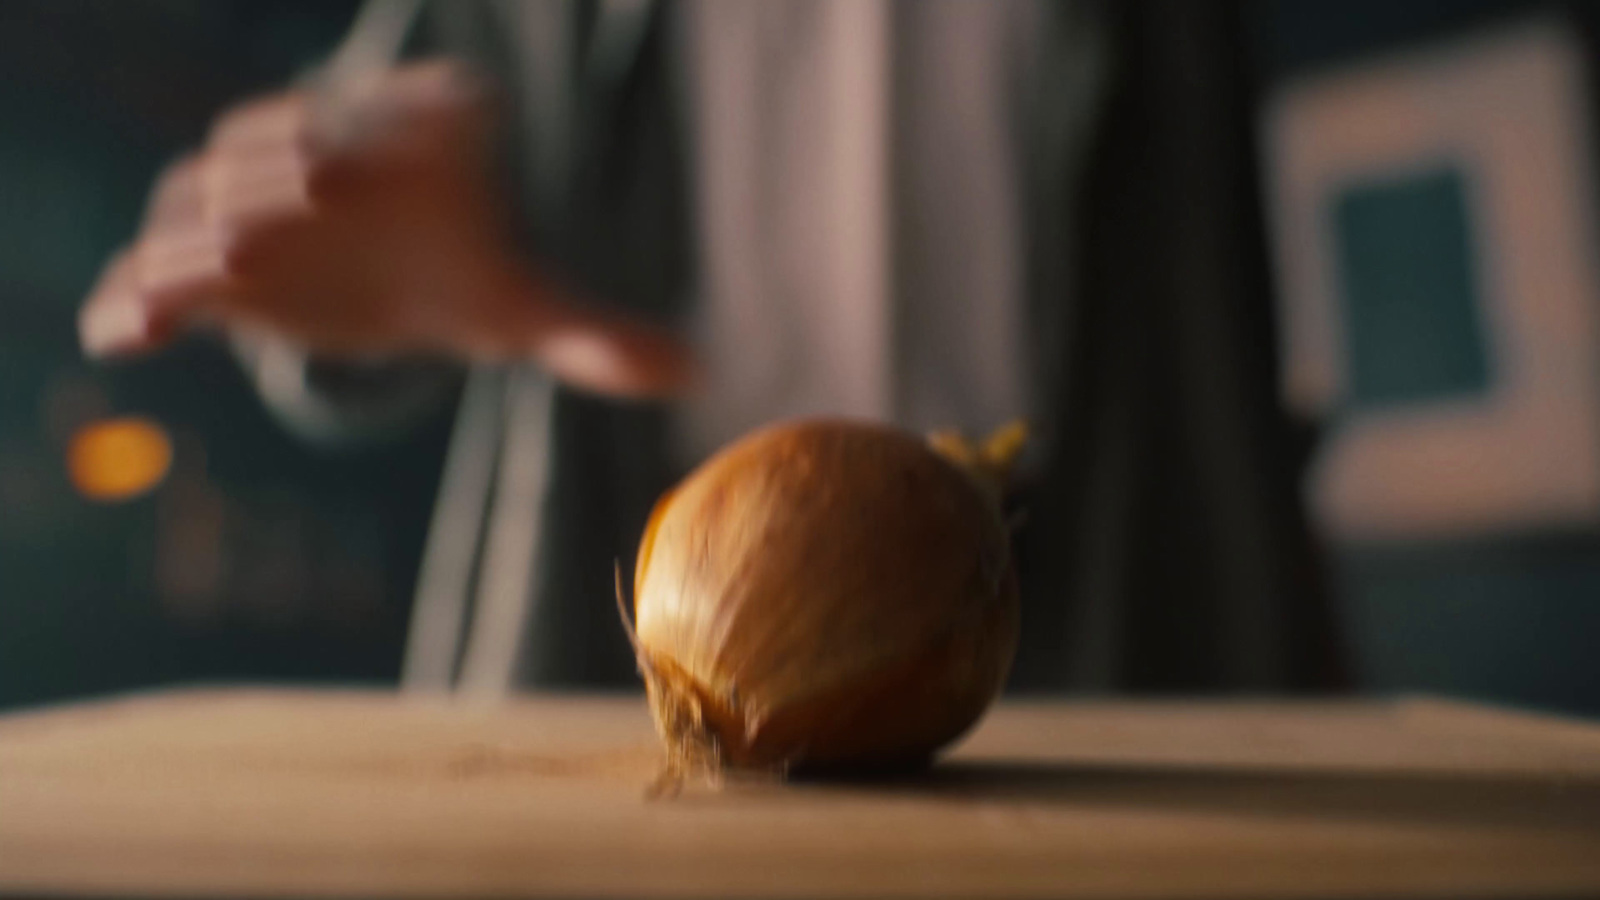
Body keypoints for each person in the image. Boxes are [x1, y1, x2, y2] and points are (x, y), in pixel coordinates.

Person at [79, 1, 1339, 697]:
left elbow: (1222, 310)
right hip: (638, 640)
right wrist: (338, 212)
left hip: (1103, 631)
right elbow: (378, 147)